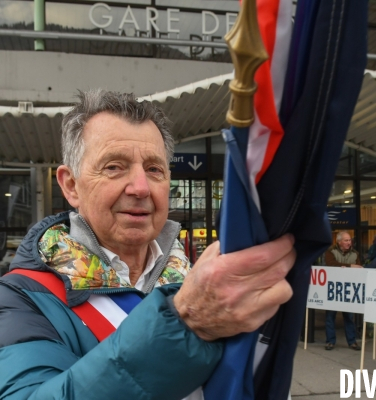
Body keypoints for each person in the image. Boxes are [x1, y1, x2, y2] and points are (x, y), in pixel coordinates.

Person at [0, 90, 296, 399]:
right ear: (71, 186)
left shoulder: (200, 285)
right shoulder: (21, 299)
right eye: (114, 166)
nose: (141, 187)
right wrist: (184, 323)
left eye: (154, 169)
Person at [323, 231, 362, 351]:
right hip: (333, 289)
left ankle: (352, 341)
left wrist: (346, 267)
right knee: (330, 316)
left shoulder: (355, 253)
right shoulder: (330, 252)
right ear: (339, 242)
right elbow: (331, 264)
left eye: (349, 240)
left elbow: (359, 268)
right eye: (346, 240)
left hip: (348, 289)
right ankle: (330, 341)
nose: (348, 243)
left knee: (349, 317)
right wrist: (349, 266)